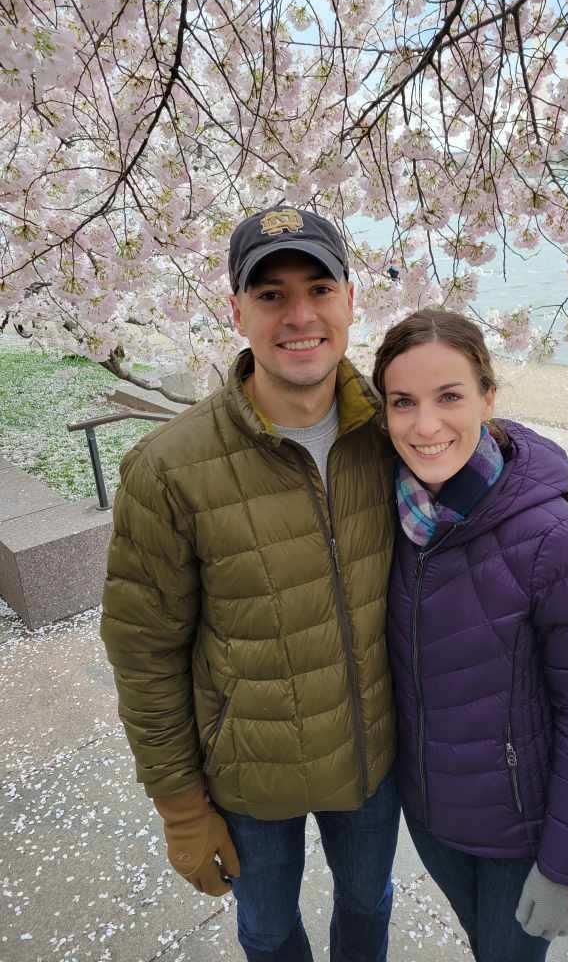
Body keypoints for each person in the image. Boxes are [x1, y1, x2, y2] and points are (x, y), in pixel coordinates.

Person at [100, 207, 401, 962]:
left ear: (350, 300)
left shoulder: (393, 431)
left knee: (369, 904)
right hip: (246, 776)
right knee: (267, 931)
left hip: (371, 755)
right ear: (236, 311)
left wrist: (554, 508)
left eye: (318, 288)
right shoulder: (168, 468)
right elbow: (145, 655)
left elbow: (479, 446)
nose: (299, 316)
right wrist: (178, 806)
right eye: (270, 295)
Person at [371, 309, 568, 962]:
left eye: (449, 397)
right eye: (404, 403)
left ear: (488, 397)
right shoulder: (394, 514)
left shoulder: (553, 541)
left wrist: (567, 864)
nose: (426, 426)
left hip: (519, 835)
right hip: (431, 817)